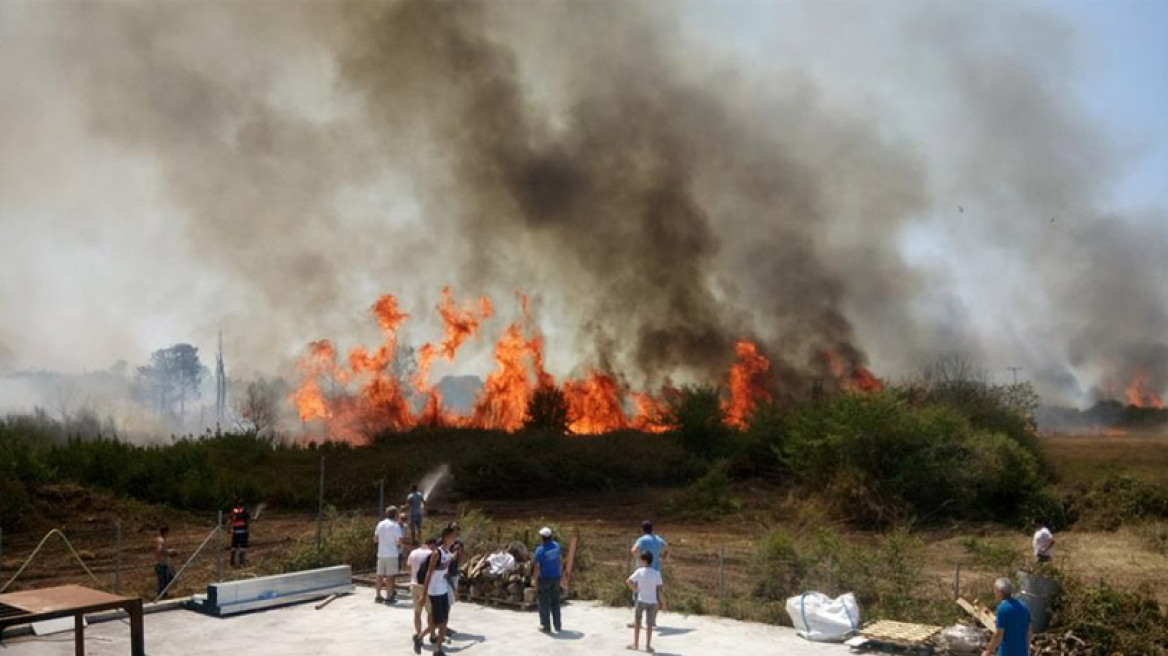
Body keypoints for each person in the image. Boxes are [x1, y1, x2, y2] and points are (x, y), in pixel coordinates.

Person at [417, 528, 455, 656]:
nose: (453, 539)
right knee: (438, 622)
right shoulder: (436, 553)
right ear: (445, 538)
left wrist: (452, 587)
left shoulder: (448, 553)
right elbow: (429, 572)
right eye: (451, 537)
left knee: (445, 620)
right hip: (435, 592)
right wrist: (424, 593)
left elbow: (445, 572)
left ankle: (438, 649)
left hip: (443, 590)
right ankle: (420, 636)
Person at [626, 552, 666, 653]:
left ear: (644, 560)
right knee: (649, 625)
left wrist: (634, 589)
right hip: (652, 602)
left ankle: (636, 644)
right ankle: (648, 646)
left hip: (641, 600)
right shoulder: (656, 573)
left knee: (638, 623)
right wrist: (663, 603)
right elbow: (660, 590)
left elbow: (628, 581)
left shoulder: (639, 571)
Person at [983, 578, 1032, 656]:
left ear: (999, 592)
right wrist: (1027, 648)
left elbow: (999, 633)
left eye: (995, 591)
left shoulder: (1002, 608)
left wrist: (988, 650)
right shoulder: (1024, 607)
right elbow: (1029, 630)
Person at [532, 526, 564, 634]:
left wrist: (534, 580)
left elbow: (537, 566)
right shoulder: (557, 546)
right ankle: (558, 625)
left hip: (545, 579)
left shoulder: (540, 550)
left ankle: (546, 626)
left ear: (542, 538)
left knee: (544, 603)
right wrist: (560, 574)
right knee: (555, 602)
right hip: (556, 578)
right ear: (550, 536)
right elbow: (560, 561)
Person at [407, 537, 436, 648]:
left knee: (417, 612)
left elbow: (408, 567)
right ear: (431, 544)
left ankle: (419, 634)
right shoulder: (432, 554)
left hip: (414, 585)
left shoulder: (413, 553)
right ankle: (432, 634)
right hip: (427, 587)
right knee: (430, 613)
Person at [374, 504, 404, 603]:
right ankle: (389, 596)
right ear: (396, 514)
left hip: (381, 553)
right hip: (391, 554)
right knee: (390, 576)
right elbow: (399, 541)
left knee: (379, 575)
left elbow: (375, 539)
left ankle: (378, 595)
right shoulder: (395, 526)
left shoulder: (380, 524)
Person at [154, 525, 177, 598]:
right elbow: (159, 550)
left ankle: (163, 594)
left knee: (170, 578)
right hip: (161, 564)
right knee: (163, 582)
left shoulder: (162, 540)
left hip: (165, 563)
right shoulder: (161, 540)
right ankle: (161, 595)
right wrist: (169, 552)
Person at [228, 499, 251, 567]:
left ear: (237, 505)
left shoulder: (234, 511)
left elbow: (230, 520)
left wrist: (229, 529)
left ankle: (232, 562)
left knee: (234, 547)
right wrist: (248, 530)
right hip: (243, 532)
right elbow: (248, 521)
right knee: (243, 547)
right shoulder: (245, 512)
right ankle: (241, 562)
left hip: (235, 532)